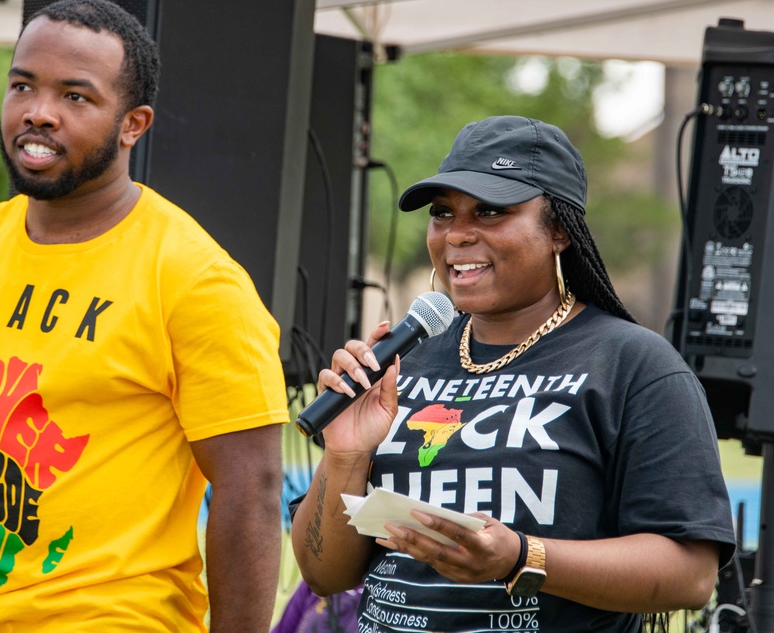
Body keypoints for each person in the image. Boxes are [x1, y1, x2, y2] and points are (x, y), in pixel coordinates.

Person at [0, 0, 288, 632]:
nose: (38, 113)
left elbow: (250, 490)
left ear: (134, 124)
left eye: (75, 96)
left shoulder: (195, 278)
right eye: (23, 86)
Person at [290, 115, 736, 632]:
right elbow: (324, 575)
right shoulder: (402, 363)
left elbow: (690, 575)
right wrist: (346, 455)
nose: (457, 234)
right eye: (443, 213)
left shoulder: (633, 366)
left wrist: (523, 557)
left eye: (490, 211)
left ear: (560, 230)